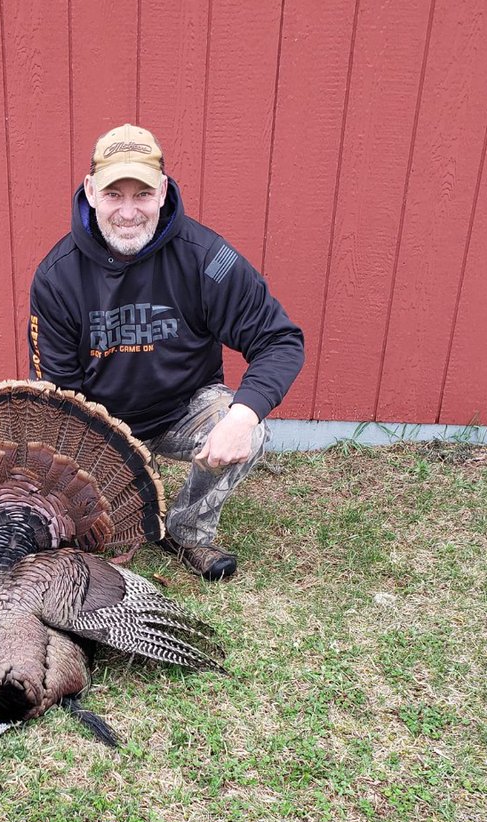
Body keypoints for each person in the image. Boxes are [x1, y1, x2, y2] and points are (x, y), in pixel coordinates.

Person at [29, 123, 304, 580]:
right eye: (115, 194)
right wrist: (102, 502)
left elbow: (280, 339)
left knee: (248, 430)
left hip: (182, 411)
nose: (129, 211)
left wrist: (241, 417)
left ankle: (187, 529)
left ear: (163, 192)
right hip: (103, 426)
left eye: (142, 194)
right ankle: (130, 517)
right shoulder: (57, 277)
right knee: (107, 549)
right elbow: (59, 399)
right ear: (91, 191)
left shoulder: (206, 258)